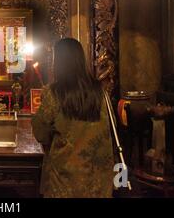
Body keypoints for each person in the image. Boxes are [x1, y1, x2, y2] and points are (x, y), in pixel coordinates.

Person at [32, 38, 115, 198]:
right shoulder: (101, 92)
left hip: (64, 183)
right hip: (99, 183)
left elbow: (40, 133)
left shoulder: (54, 93)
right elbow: (111, 127)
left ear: (59, 63)